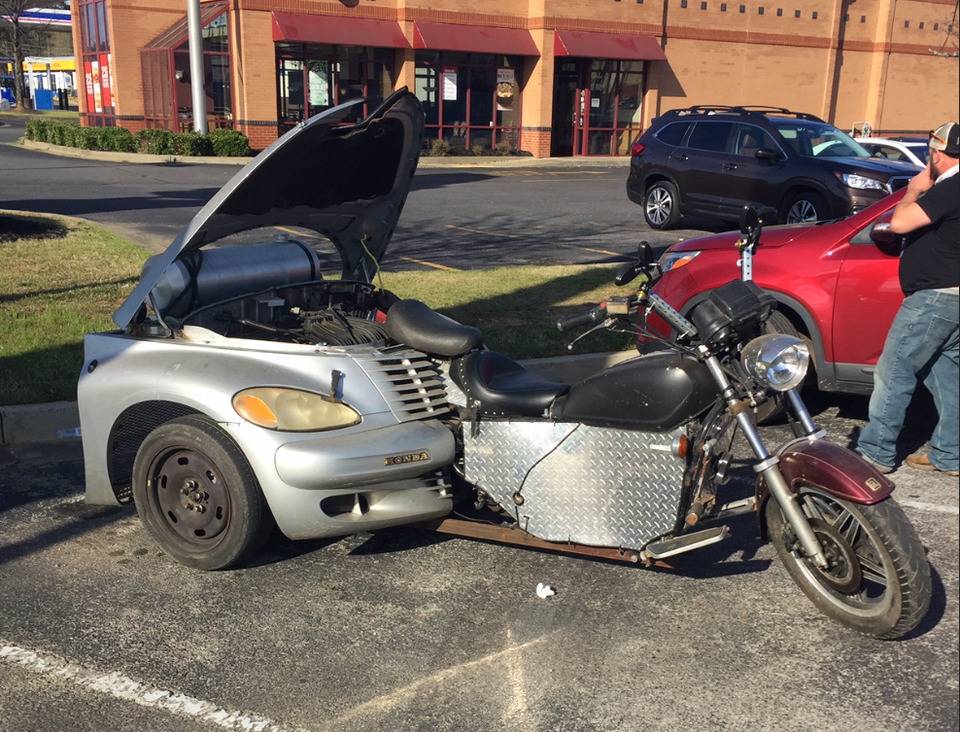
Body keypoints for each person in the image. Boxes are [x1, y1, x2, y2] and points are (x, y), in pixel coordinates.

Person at [857, 121, 960, 477]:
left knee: (895, 370)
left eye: (932, 152)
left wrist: (913, 189)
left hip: (935, 298)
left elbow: (899, 224)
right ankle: (950, 454)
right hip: (953, 298)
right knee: (946, 375)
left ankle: (875, 452)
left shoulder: (950, 187)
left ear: (937, 154)